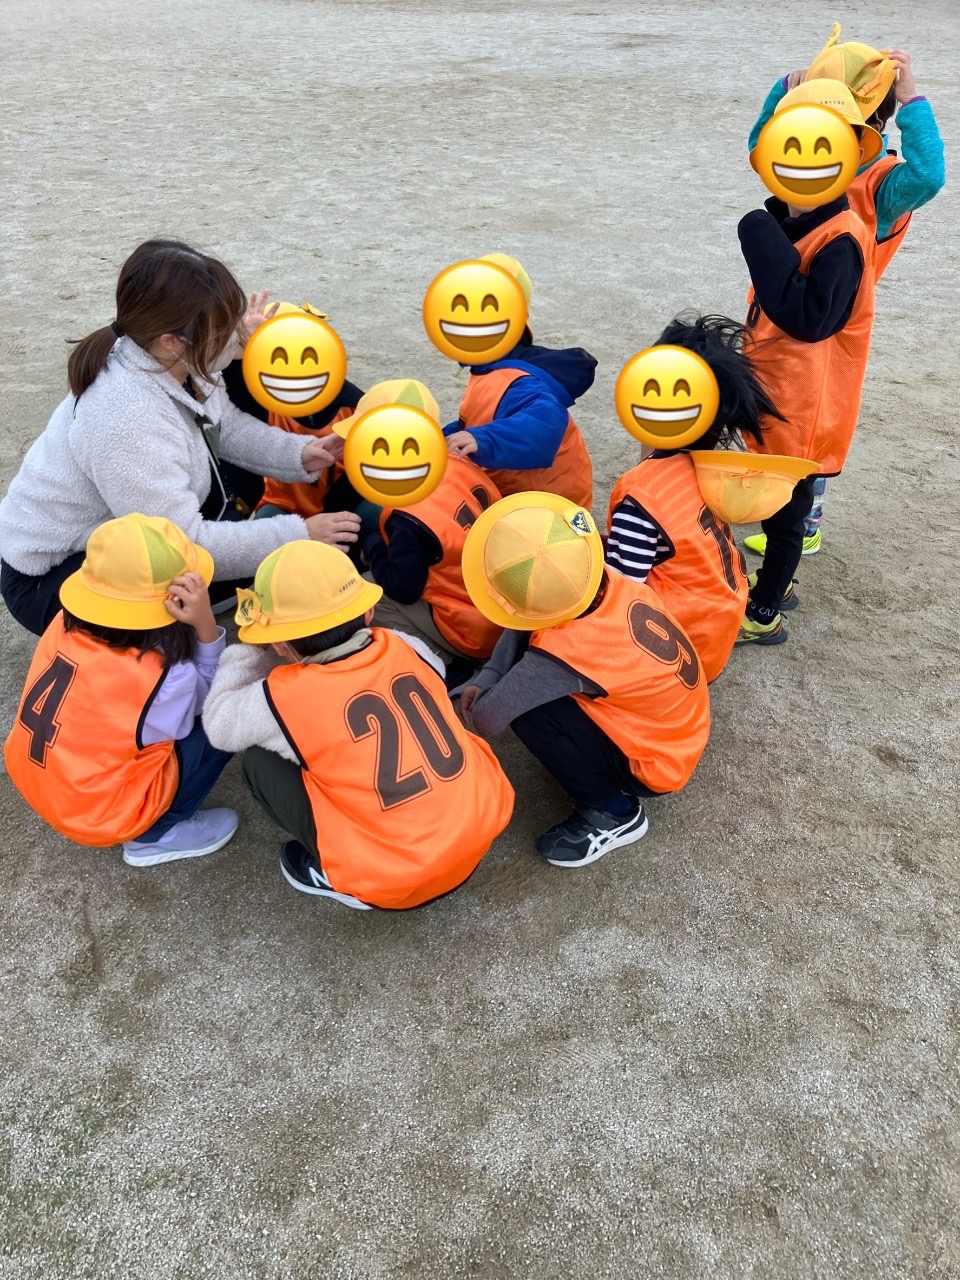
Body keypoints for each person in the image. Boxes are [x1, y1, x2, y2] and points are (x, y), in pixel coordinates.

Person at [0, 241, 360, 637]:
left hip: (129, 529)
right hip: (52, 575)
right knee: (190, 590)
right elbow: (181, 544)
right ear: (171, 340)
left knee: (241, 493)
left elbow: (225, 426)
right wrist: (299, 535)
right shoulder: (125, 417)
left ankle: (212, 588)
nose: (237, 333)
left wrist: (300, 454)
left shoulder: (169, 356)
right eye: (224, 328)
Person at [202, 541, 514, 910]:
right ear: (368, 612)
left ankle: (336, 872)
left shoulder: (282, 696)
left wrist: (253, 648)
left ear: (280, 645)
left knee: (258, 760)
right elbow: (434, 673)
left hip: (393, 880)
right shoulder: (402, 643)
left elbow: (218, 724)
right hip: (479, 825)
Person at [744, 32, 945, 558]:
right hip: (779, 301)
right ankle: (780, 506)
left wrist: (912, 101)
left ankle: (802, 521)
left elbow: (929, 175)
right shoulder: (801, 159)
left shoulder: (882, 185)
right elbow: (761, 147)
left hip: (833, 317)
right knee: (774, 405)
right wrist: (785, 90)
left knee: (815, 416)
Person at [458, 494, 710, 867]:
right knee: (536, 684)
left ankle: (614, 813)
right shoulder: (609, 577)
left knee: (531, 714)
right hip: (678, 731)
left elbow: (487, 719)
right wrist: (494, 673)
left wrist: (488, 689)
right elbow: (531, 616)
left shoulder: (565, 652)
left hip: (654, 762)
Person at [3, 515, 237, 866]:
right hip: (102, 814)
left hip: (37, 778)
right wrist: (205, 625)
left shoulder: (61, 622)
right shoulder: (164, 675)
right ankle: (155, 836)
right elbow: (211, 697)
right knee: (227, 716)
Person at [736, 79, 881, 645]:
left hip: (806, 401)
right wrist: (778, 93)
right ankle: (781, 582)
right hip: (780, 387)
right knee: (776, 504)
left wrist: (755, 233)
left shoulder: (842, 237)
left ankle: (766, 609)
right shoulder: (793, 217)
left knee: (786, 511)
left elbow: (809, 318)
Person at [607, 313, 781, 681]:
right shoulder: (707, 470)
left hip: (678, 658)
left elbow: (620, 590)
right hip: (713, 636)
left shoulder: (640, 498)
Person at [351, 379, 503, 684]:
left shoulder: (409, 514)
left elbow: (403, 588)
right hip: (503, 610)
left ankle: (445, 663)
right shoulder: (456, 459)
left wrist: (373, 545)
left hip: (472, 630)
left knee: (362, 593)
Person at [443, 255, 597, 509]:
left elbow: (545, 424)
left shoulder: (520, 379)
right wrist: (441, 438)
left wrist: (482, 439)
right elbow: (478, 420)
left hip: (549, 509)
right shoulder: (487, 370)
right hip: (519, 497)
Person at [220, 301, 367, 520]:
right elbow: (230, 398)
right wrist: (239, 354)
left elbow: (361, 471)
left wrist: (328, 514)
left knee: (372, 513)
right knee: (266, 519)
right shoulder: (262, 400)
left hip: (338, 506)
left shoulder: (354, 407)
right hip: (279, 504)